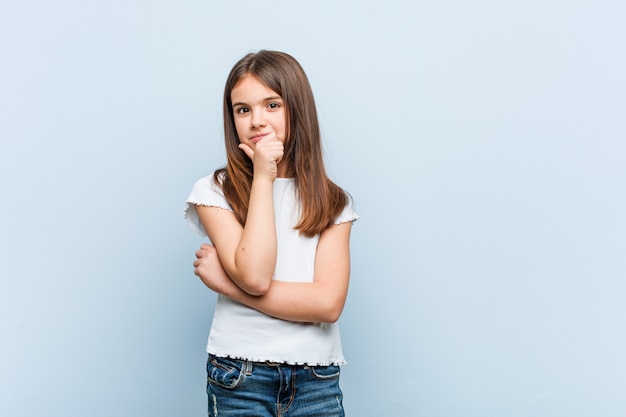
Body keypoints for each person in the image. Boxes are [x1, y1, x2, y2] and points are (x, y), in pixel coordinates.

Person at [184, 50, 358, 417]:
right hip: (239, 377)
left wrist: (227, 284)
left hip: (317, 378)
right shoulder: (215, 191)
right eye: (242, 109)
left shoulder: (333, 201)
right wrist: (263, 176)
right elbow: (256, 274)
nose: (256, 120)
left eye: (272, 105)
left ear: (297, 109)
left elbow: (328, 305)